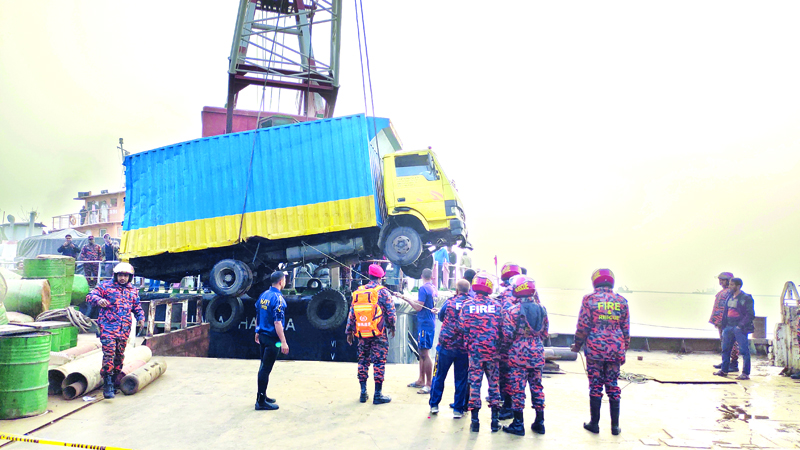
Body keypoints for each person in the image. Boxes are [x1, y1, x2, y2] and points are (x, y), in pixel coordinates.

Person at [571, 269, 630, 436]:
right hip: (615, 349)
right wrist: (623, 350)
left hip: (595, 349)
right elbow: (626, 329)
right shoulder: (622, 301)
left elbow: (583, 326)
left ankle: (594, 424)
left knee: (595, 385)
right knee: (613, 385)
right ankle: (615, 427)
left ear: (595, 281)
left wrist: (577, 345)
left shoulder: (589, 299)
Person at [85, 262, 145, 399]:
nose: (122, 278)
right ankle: (107, 383)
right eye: (120, 275)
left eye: (125, 275)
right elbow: (90, 296)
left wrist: (141, 317)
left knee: (119, 355)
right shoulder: (106, 286)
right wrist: (99, 300)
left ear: (130, 277)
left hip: (124, 329)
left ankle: (114, 380)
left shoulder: (132, 291)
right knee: (109, 354)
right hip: (108, 327)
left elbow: (137, 307)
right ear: (115, 275)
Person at [501, 276, 548, 436]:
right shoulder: (542, 309)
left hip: (518, 354)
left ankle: (518, 424)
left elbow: (507, 335)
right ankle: (540, 422)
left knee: (517, 389)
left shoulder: (513, 311)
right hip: (537, 353)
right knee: (537, 387)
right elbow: (545, 333)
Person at [345, 264, 397, 405]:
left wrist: (349, 331)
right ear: (381, 277)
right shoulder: (383, 292)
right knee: (379, 362)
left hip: (362, 332)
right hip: (379, 333)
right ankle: (378, 394)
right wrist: (392, 327)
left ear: (369, 276)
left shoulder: (359, 291)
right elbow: (391, 313)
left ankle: (363, 393)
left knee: (363, 360)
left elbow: (352, 313)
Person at [458, 272, 503, 433]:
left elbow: (462, 327)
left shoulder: (467, 306)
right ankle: (495, 421)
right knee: (494, 386)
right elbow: (503, 329)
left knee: (475, 385)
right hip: (492, 353)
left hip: (475, 353)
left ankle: (475, 421)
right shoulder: (497, 306)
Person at [429, 279, 470, 418]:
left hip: (445, 346)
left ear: (457, 290)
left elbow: (441, 316)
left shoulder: (449, 302)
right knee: (461, 379)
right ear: (468, 290)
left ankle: (434, 405)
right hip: (463, 348)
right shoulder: (470, 303)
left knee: (439, 375)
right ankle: (458, 410)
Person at [254, 271, 290, 410]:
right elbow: (277, 323)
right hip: (272, 339)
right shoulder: (278, 299)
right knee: (265, 369)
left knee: (263, 366)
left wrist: (257, 331)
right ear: (281, 282)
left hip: (263, 336)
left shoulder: (264, 295)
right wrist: (284, 342)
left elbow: (258, 313)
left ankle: (262, 395)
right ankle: (261, 401)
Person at [713, 278, 755, 381]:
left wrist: (740, 326)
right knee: (725, 349)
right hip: (728, 326)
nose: (730, 287)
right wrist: (723, 325)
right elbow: (726, 312)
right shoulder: (730, 297)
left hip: (739, 328)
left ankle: (745, 373)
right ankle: (724, 370)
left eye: (732, 285)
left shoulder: (746, 298)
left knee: (744, 351)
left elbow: (750, 314)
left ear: (738, 286)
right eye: (730, 284)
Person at [404, 268, 436, 394]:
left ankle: (428, 383)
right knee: (421, 351)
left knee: (425, 353)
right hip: (429, 322)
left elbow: (418, 307)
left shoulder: (423, 289)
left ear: (421, 276)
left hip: (425, 324)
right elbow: (422, 303)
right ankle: (421, 380)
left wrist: (408, 300)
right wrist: (407, 298)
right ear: (431, 276)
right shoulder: (432, 288)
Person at [497, 263, 522, 421]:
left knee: (505, 376)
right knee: (523, 379)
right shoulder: (532, 295)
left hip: (509, 344)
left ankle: (507, 407)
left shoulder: (506, 294)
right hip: (528, 344)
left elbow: (502, 319)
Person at [710, 272, 738, 371]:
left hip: (727, 322)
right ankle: (725, 362)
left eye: (723, 280)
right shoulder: (724, 291)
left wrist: (724, 320)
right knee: (724, 342)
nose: (720, 282)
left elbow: (728, 308)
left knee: (731, 343)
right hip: (720, 321)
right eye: (720, 280)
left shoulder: (731, 292)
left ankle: (734, 364)